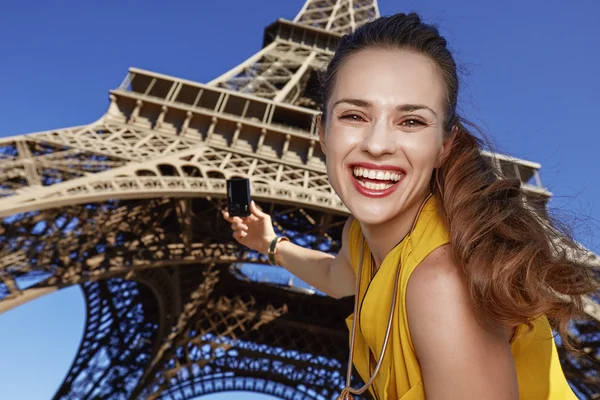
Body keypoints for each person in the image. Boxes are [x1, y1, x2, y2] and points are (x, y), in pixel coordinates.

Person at [223, 12, 598, 400]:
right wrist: (269, 244)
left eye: (411, 121)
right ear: (321, 131)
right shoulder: (363, 238)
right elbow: (337, 276)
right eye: (354, 115)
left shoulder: (443, 285)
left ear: (444, 145)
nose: (378, 144)